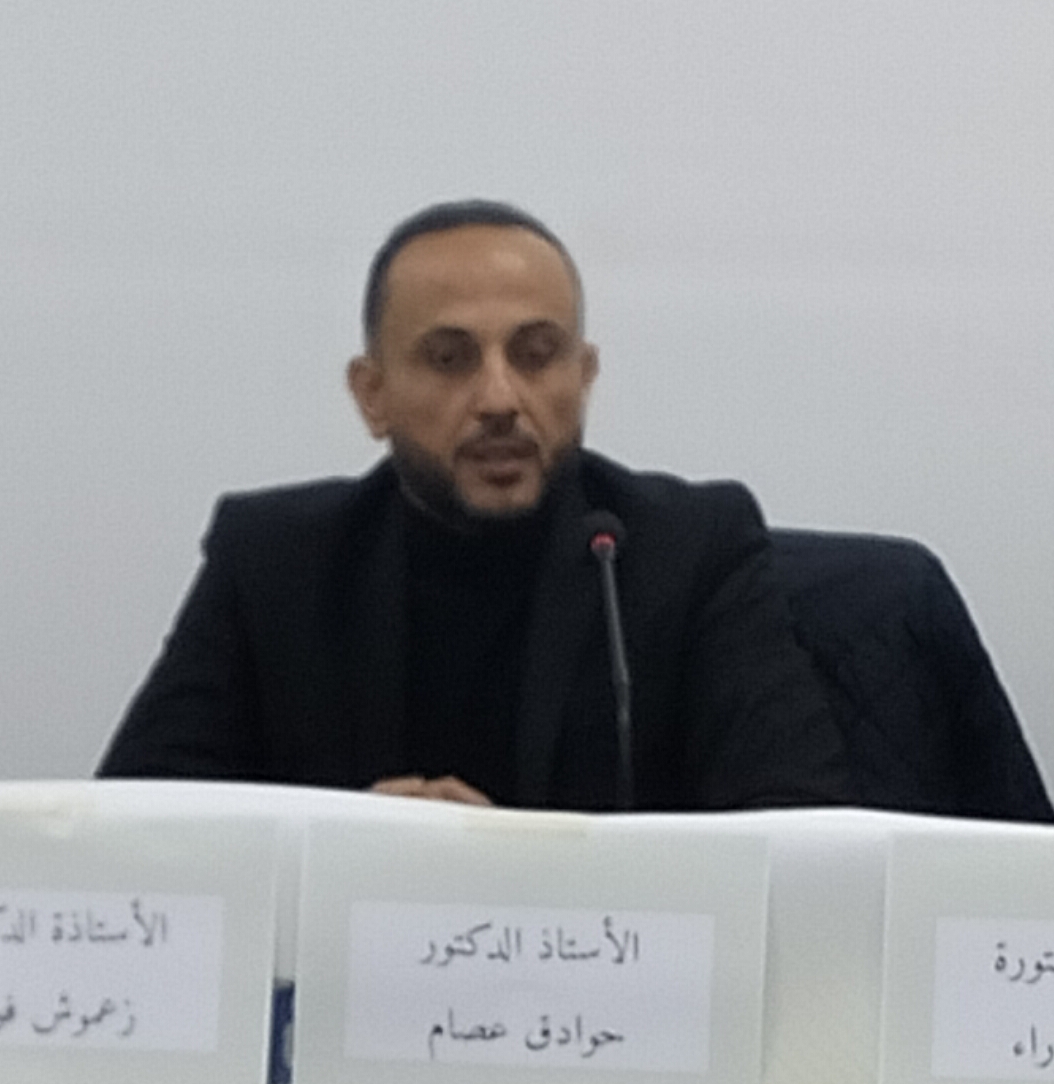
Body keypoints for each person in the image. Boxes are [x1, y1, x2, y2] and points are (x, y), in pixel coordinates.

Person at [100, 200, 850, 811]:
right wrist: (344, 846)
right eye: (450, 359)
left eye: (536, 355)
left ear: (583, 375)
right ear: (372, 394)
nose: (498, 399)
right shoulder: (275, 562)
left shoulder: (688, 550)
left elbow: (797, 824)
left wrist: (505, 873)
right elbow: (139, 830)